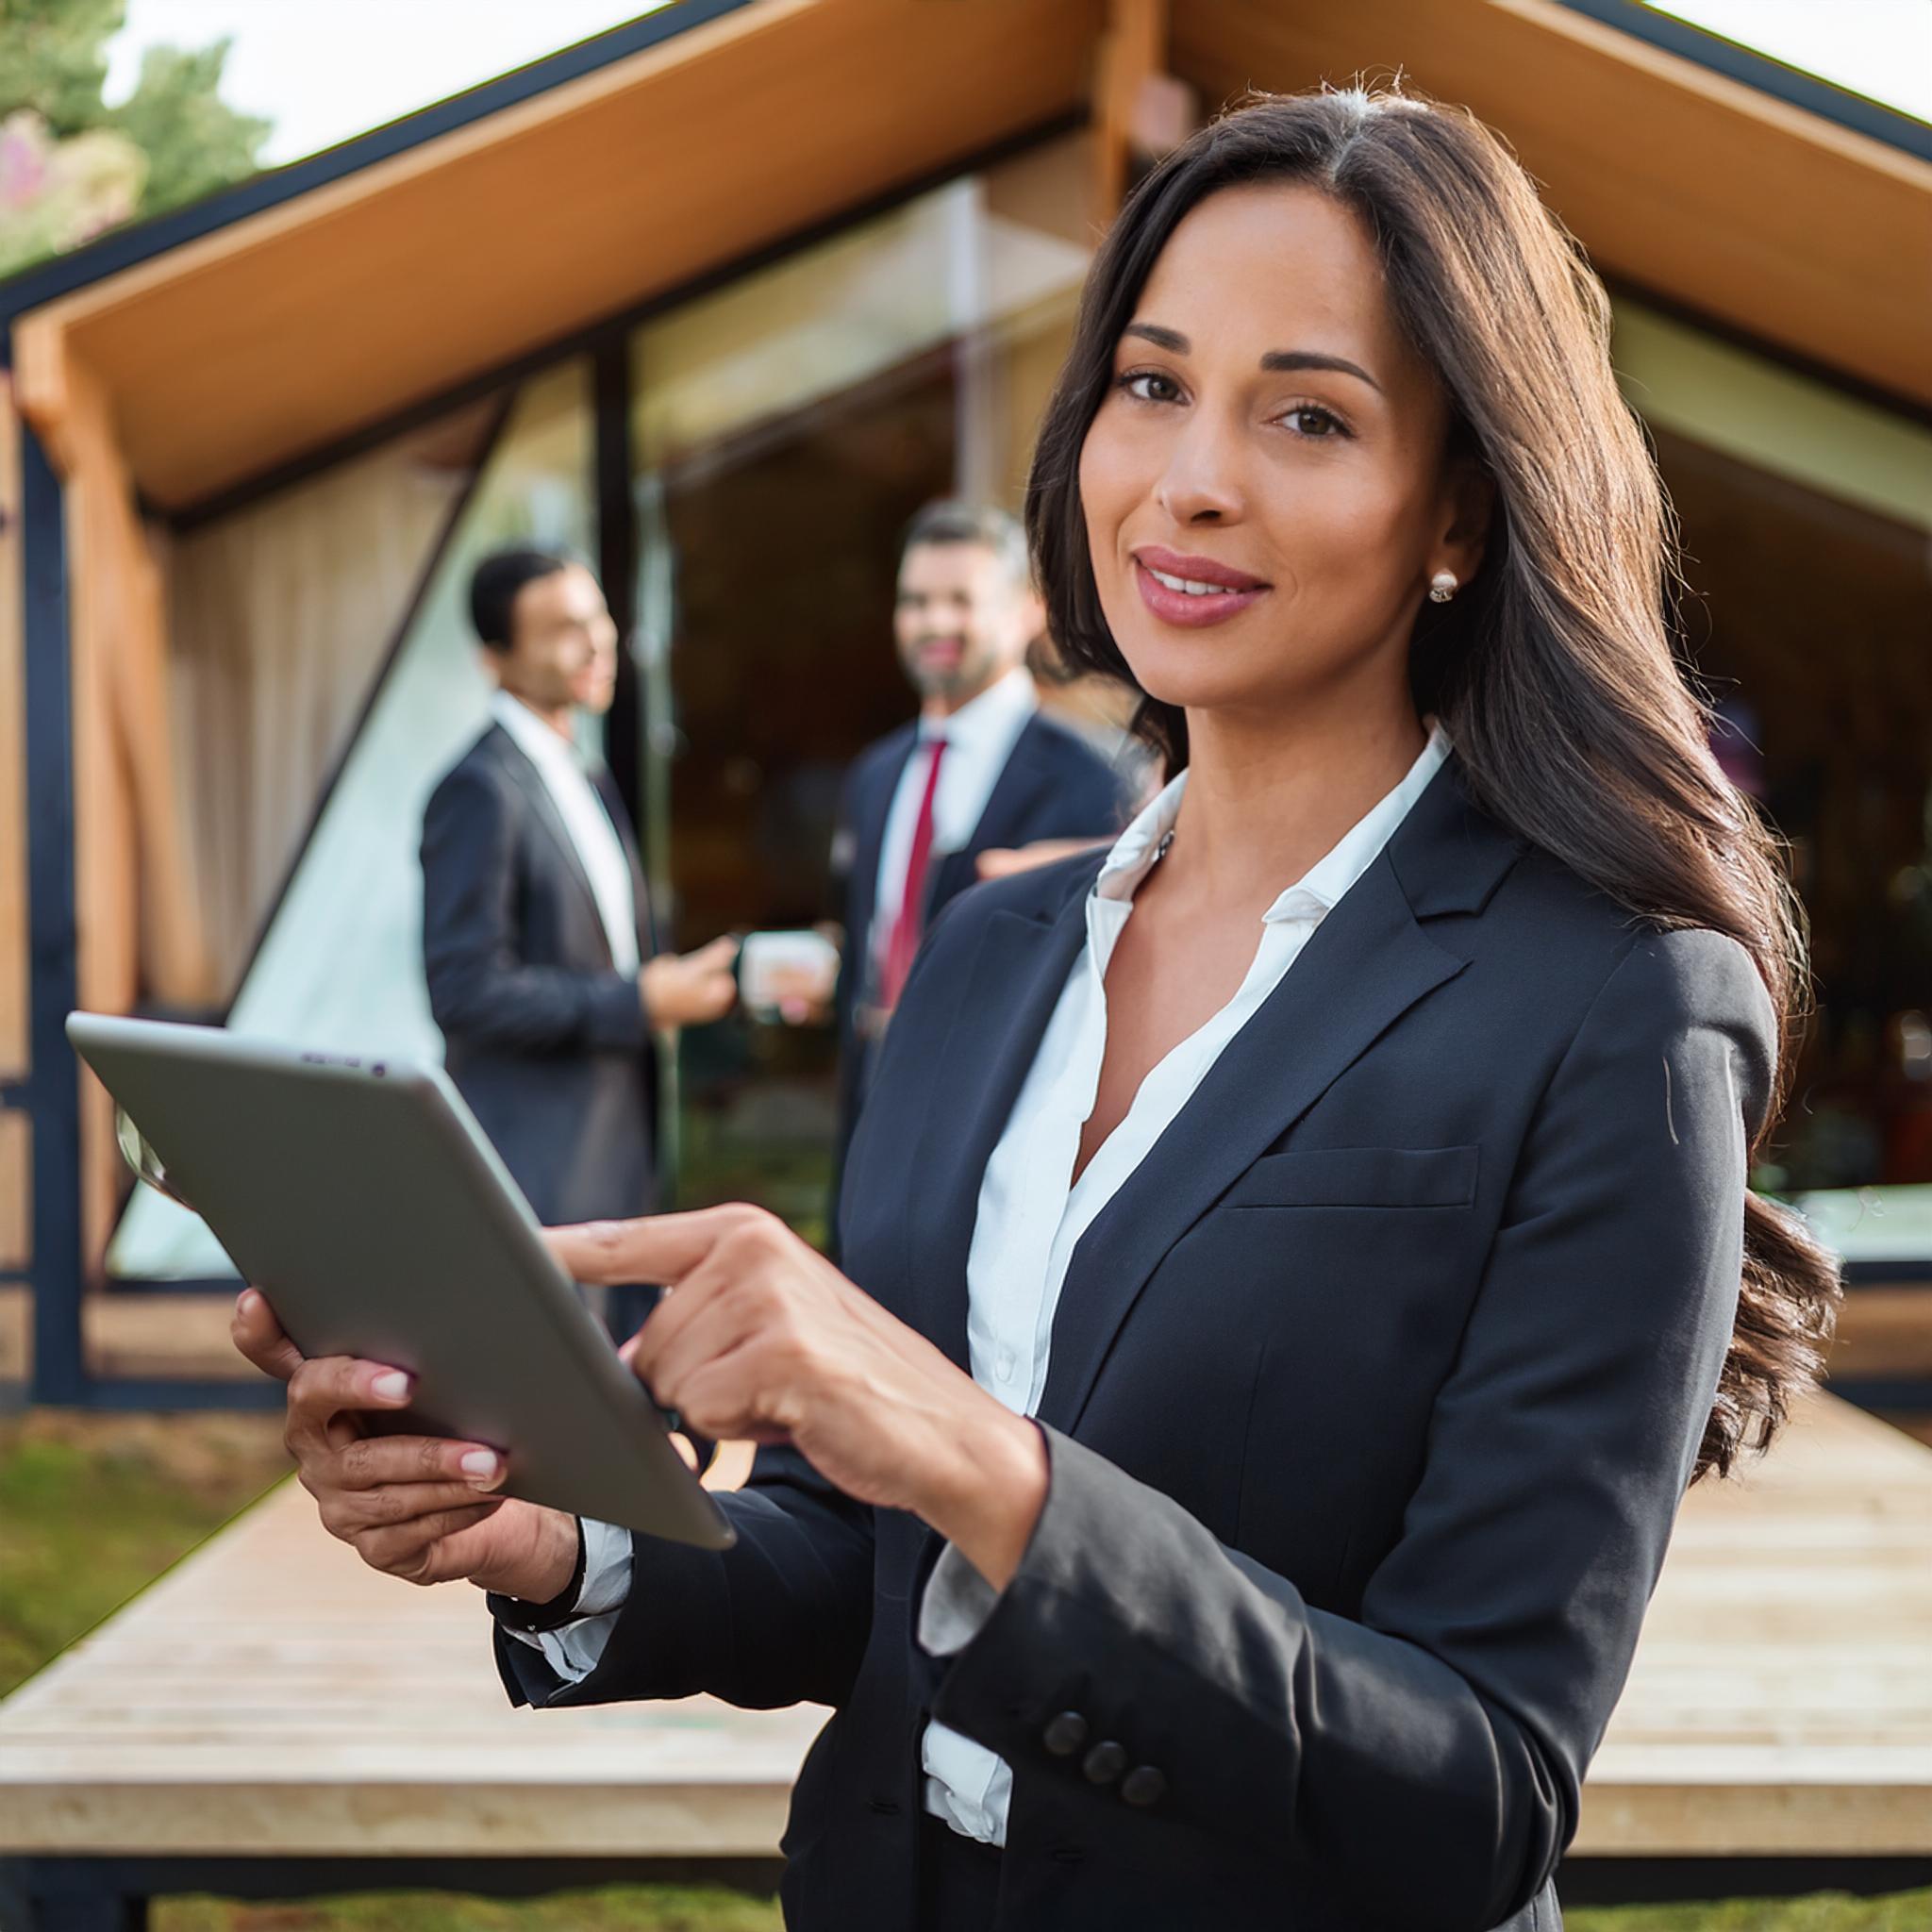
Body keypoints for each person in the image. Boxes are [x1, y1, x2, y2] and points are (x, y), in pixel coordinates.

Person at [237, 89, 1841, 1932]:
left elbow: (1475, 1786)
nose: (1189, 477)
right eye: (1150, 386)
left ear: (1460, 510)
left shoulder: (1618, 1001)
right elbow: (872, 1563)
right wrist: (557, 1543)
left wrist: (964, 1447)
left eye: (1306, 414)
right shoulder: (993, 961)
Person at [420, 547, 738, 1335]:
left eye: (597, 618)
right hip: (540, 1166)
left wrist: (667, 990)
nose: (599, 643)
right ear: (495, 659)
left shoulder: (583, 770)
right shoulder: (477, 790)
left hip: (617, 1159)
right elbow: (465, 991)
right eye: (563, 629)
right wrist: (637, 1000)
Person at [827, 502, 1130, 1238]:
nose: (935, 623)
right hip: (873, 1102)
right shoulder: (875, 773)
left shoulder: (1100, 778)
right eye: (916, 602)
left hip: (1000, 1123)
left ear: (1029, 612)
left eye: (961, 601)